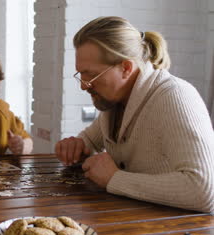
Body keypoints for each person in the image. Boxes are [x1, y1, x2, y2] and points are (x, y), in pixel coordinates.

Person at [55, 16, 214, 213]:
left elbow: (205, 191)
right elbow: (88, 140)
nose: (83, 85)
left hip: (174, 234)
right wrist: (77, 146)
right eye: (81, 74)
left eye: (91, 75)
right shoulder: (116, 99)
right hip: (130, 222)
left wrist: (115, 179)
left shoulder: (175, 96)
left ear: (126, 68)